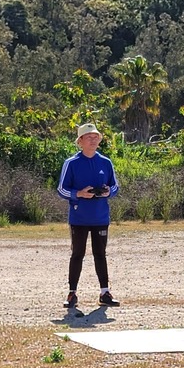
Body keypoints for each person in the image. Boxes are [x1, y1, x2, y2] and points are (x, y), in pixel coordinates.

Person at [57, 123, 120, 308]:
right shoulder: (71, 163)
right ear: (80, 141)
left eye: (96, 137)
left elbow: (115, 186)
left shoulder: (106, 162)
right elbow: (61, 189)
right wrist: (79, 194)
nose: (93, 140)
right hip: (79, 218)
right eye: (89, 137)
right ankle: (72, 294)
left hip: (100, 217)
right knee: (77, 254)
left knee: (100, 254)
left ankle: (105, 293)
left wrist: (108, 192)